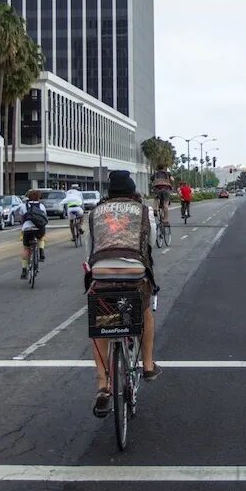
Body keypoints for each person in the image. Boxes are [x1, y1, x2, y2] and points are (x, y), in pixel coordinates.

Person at [86, 170, 161, 418]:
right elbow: (151, 242)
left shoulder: (95, 213)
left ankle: (103, 385)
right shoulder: (144, 211)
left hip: (102, 272)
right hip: (135, 272)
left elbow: (90, 250)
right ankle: (148, 365)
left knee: (101, 322)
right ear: (132, 191)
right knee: (145, 311)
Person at [17, 188, 48, 278]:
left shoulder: (24, 206)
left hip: (27, 229)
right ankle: (41, 251)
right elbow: (44, 217)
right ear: (39, 197)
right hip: (38, 229)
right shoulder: (41, 206)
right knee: (41, 237)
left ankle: (24, 270)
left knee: (26, 248)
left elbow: (21, 218)